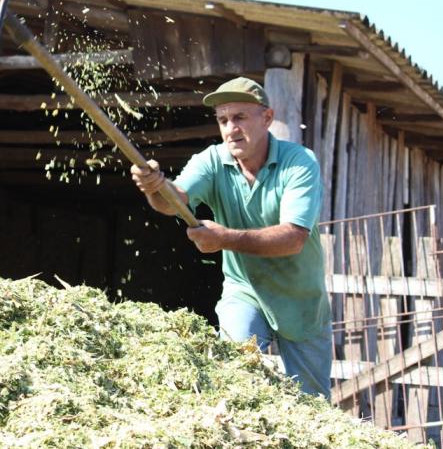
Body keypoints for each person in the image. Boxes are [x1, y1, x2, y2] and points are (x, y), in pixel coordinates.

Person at [130, 77, 332, 399]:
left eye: (240, 117)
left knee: (315, 403)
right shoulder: (213, 160)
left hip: (301, 298)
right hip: (245, 290)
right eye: (223, 120)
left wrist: (225, 239)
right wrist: (155, 188)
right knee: (235, 377)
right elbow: (175, 200)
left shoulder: (299, 162)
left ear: (267, 118)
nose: (230, 129)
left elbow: (293, 238)